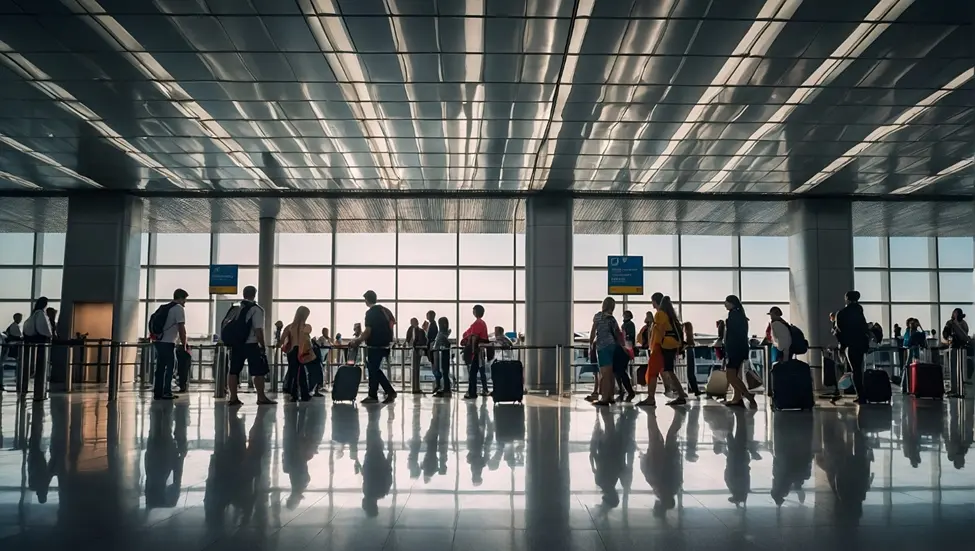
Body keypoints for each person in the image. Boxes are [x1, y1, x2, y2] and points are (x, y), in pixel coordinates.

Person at [226, 286, 275, 407]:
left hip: (237, 343)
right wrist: (262, 345)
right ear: (254, 294)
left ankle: (233, 398)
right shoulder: (256, 309)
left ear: (244, 294)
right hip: (251, 344)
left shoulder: (236, 307)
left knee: (233, 371)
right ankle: (261, 397)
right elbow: (258, 330)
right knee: (258, 372)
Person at [638, 293, 687, 407]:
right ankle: (681, 394)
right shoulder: (670, 315)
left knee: (652, 372)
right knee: (669, 370)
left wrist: (653, 347)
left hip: (660, 347)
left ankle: (651, 398)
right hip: (671, 346)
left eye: (652, 301)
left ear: (656, 301)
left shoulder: (660, 315)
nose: (652, 304)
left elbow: (658, 333)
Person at [351, 290, 397, 404]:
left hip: (375, 345)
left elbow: (368, 331)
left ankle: (389, 391)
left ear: (366, 300)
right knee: (373, 369)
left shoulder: (371, 313)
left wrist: (358, 340)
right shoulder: (385, 310)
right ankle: (372, 395)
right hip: (385, 345)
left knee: (373, 369)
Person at [148, 290, 187, 400]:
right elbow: (181, 328)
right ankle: (166, 391)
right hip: (168, 342)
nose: (185, 302)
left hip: (158, 341)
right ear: (180, 298)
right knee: (170, 367)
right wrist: (184, 344)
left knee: (160, 367)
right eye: (184, 299)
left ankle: (158, 392)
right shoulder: (178, 309)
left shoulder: (165, 307)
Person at [835, 290, 870, 404]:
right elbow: (864, 328)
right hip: (861, 343)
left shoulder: (842, 313)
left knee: (855, 370)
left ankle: (860, 395)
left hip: (850, 345)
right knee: (858, 369)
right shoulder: (859, 312)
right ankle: (862, 394)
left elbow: (839, 330)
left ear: (847, 299)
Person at [589, 297, 626, 407]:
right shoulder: (612, 319)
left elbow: (593, 332)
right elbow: (618, 333)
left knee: (605, 374)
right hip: (612, 346)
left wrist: (591, 344)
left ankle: (604, 398)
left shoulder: (598, 316)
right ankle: (611, 397)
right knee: (611, 374)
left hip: (602, 347)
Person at [723, 295, 757, 409]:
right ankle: (737, 398)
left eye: (726, 302)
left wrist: (728, 348)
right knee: (735, 374)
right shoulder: (740, 315)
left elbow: (733, 335)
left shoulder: (734, 315)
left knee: (730, 375)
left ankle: (748, 396)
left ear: (732, 303)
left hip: (735, 349)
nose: (724, 304)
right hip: (740, 349)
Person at [280, 306, 313, 402]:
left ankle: (293, 394)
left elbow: (281, 340)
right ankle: (304, 394)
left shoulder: (289, 327)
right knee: (302, 373)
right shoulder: (307, 327)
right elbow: (307, 339)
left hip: (292, 351)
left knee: (293, 373)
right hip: (302, 351)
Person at [462, 304, 490, 400]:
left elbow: (473, 337)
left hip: (476, 352)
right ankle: (476, 390)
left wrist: (472, 351)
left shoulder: (477, 324)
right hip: (480, 351)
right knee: (478, 372)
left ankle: (472, 392)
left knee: (472, 373)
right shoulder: (482, 323)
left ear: (475, 312)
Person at [431, 317, 452, 397]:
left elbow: (445, 343)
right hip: (442, 352)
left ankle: (446, 389)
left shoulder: (442, 334)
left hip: (443, 353)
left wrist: (435, 347)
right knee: (444, 371)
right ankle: (445, 388)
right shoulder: (444, 333)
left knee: (445, 371)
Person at [406, 317, 427, 394]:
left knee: (416, 368)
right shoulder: (410, 330)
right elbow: (408, 338)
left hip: (417, 350)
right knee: (414, 368)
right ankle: (414, 387)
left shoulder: (421, 331)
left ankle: (416, 387)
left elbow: (422, 340)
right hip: (413, 350)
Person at [682, 322, 702, 397]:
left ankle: (693, 389)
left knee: (690, 372)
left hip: (688, 351)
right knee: (691, 371)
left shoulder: (687, 339)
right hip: (690, 351)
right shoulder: (690, 339)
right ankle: (694, 389)